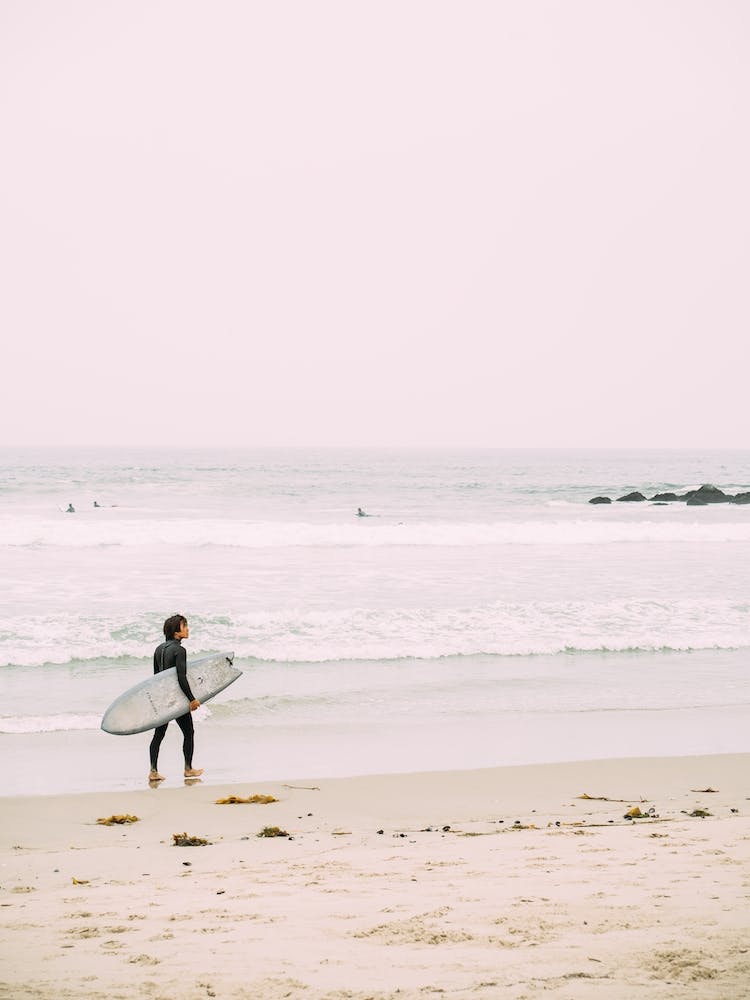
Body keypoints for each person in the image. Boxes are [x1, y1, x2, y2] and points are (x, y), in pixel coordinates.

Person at [149, 614, 203, 782]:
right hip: (176, 699)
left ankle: (153, 771)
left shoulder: (158, 649)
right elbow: (181, 677)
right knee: (189, 732)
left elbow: (156, 677)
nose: (187, 629)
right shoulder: (180, 650)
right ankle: (188, 769)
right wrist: (192, 699)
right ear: (176, 631)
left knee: (158, 735)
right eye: (184, 626)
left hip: (163, 698)